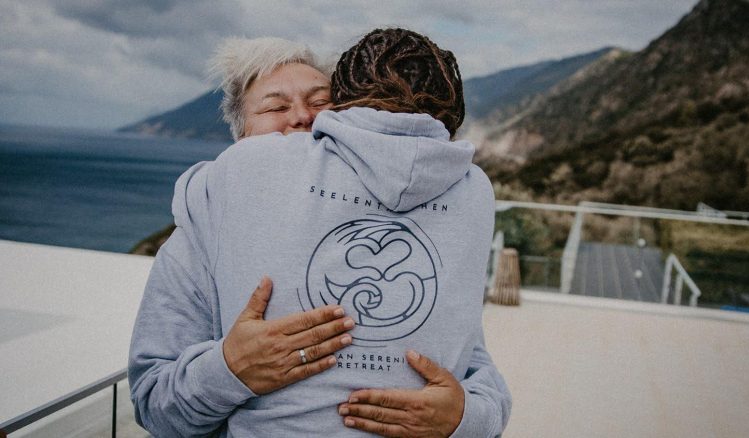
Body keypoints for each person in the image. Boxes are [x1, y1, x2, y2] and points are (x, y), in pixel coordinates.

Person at [129, 30, 511, 437]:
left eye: (321, 103)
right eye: (276, 107)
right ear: (241, 142)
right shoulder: (208, 226)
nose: (303, 117)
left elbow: (477, 371)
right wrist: (229, 369)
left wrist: (463, 418)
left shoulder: (433, 229)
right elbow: (153, 403)